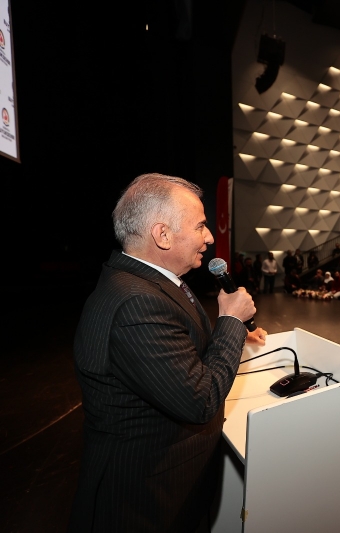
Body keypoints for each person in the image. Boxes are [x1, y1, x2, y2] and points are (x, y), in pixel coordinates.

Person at [70, 174, 265, 532]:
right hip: (144, 502)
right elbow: (199, 400)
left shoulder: (146, 283)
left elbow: (177, 351)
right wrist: (231, 322)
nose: (210, 237)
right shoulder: (137, 302)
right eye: (201, 225)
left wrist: (235, 333)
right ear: (162, 235)